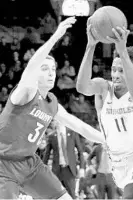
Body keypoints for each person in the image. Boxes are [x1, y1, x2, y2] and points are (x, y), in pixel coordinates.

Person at [0, 17, 105, 199]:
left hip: (30, 164)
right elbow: (32, 66)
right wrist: (56, 36)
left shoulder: (51, 102)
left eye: (53, 70)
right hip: (3, 165)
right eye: (45, 69)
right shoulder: (26, 92)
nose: (51, 73)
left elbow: (79, 126)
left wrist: (108, 140)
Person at [76, 22, 133, 199]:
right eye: (114, 69)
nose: (116, 75)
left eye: (122, 70)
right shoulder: (103, 89)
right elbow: (82, 87)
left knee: (132, 194)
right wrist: (90, 45)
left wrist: (122, 50)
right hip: (118, 164)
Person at [43, 120, 85, 198]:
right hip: (56, 170)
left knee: (71, 194)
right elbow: (46, 154)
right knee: (57, 195)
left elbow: (80, 152)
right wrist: (42, 169)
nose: (54, 122)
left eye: (56, 120)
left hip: (69, 169)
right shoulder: (51, 136)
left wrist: (82, 168)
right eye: (54, 121)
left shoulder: (72, 133)